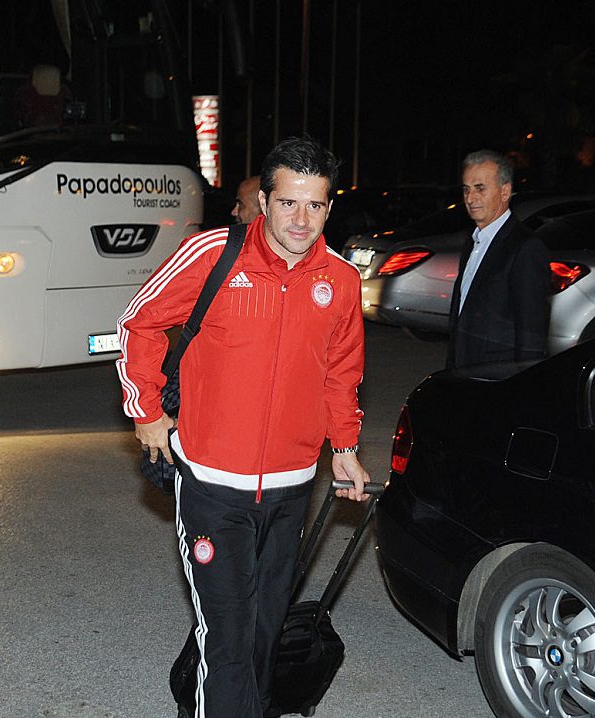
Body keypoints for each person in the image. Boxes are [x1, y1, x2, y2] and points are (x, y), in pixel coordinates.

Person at [117, 137, 370, 716]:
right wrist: (146, 411)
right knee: (228, 639)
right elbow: (138, 324)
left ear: (329, 207)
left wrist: (345, 446)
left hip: (291, 487)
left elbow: (341, 372)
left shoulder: (340, 279)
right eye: (288, 203)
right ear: (264, 200)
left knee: (263, 632)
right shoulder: (212, 254)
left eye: (315, 205)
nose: (301, 219)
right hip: (212, 486)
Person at [447, 150, 550, 368]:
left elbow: (531, 330)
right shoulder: (473, 242)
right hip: (465, 369)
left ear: (505, 192)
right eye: (466, 189)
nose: (470, 198)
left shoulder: (525, 247)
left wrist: (523, 380)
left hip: (498, 374)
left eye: (480, 188)